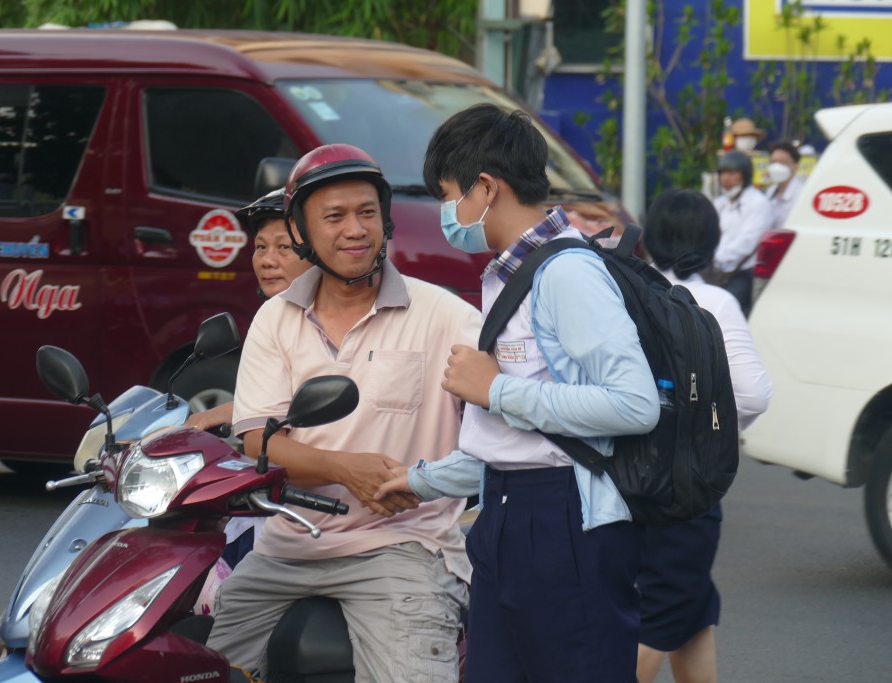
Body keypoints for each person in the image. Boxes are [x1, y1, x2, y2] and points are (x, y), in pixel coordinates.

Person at [378, 103, 661, 682]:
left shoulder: (566, 274)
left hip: (565, 520)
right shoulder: (512, 272)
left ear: (486, 187)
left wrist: (496, 389)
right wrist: (415, 481)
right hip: (510, 513)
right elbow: (508, 445)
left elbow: (634, 403)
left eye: (448, 193)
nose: (445, 213)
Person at [205, 143, 482, 682]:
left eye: (367, 213)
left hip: (402, 546)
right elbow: (260, 441)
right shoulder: (275, 319)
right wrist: (343, 469)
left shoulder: (444, 315)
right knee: (199, 666)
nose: (355, 229)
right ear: (303, 232)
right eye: (334, 217)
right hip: (284, 549)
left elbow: (506, 404)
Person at [637, 188, 772, 683]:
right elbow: (753, 395)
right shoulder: (713, 301)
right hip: (687, 486)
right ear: (712, 241)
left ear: (649, 240)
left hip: (631, 479)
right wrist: (711, 434)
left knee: (691, 609)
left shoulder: (630, 293)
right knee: (664, 609)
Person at [184, 187, 312, 434]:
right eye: (261, 247)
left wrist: (224, 411)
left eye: (284, 247)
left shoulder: (332, 319)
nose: (267, 260)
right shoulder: (272, 317)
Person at [712, 150, 773, 317]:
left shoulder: (758, 203)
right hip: (716, 271)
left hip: (744, 274)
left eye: (732, 173)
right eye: (722, 173)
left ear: (744, 175)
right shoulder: (719, 203)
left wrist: (715, 258)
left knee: (724, 312)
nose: (725, 179)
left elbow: (747, 243)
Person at [764, 140, 805, 230]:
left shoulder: (802, 194)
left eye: (783, 163)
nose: (777, 167)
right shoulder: (770, 191)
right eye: (774, 162)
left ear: (796, 166)